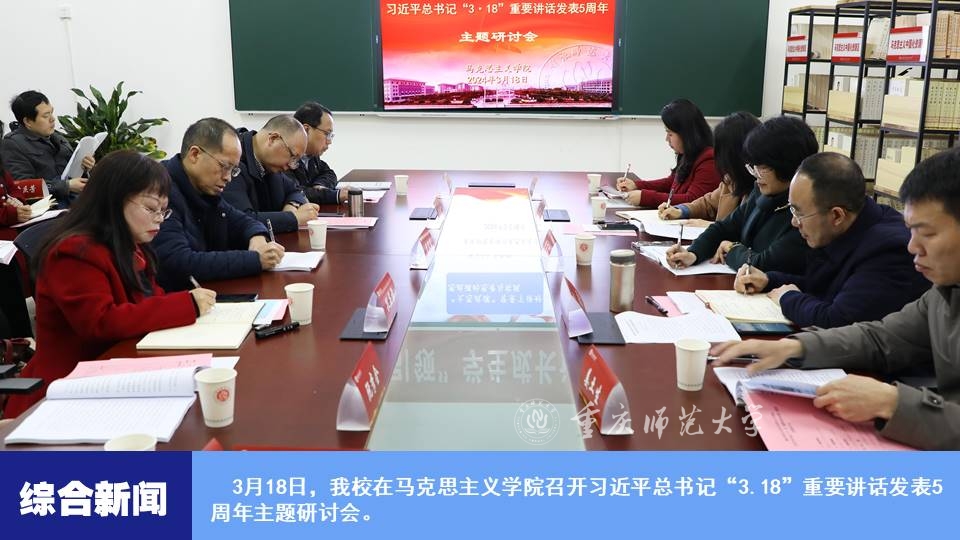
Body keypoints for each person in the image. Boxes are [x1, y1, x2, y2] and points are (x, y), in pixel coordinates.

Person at [713, 148, 960, 450]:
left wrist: (894, 402)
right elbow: (880, 337)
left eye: (928, 234)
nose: (912, 247)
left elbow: (843, 318)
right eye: (911, 231)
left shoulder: (893, 251)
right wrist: (795, 347)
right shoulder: (945, 292)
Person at [3, 150, 217, 418]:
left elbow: (151, 299)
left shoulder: (130, 244)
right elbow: (101, 322)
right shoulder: (74, 252)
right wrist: (186, 304)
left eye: (164, 210)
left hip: (113, 369)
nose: (159, 219)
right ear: (113, 200)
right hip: (63, 390)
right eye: (151, 208)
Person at [734, 152, 929, 329]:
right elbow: (824, 286)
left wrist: (787, 298)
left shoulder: (888, 250)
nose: (794, 222)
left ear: (836, 215)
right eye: (792, 210)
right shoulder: (850, 224)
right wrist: (770, 280)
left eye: (799, 213)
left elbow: (838, 320)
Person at [665, 115, 817, 273]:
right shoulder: (761, 192)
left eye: (762, 168)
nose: (756, 174)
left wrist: (732, 249)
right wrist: (693, 253)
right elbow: (724, 228)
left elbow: (762, 264)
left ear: (787, 165)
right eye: (753, 166)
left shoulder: (802, 213)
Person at [153, 118, 286, 291]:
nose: (228, 177)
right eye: (224, 166)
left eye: (233, 170)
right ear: (195, 154)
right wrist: (255, 259)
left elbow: (241, 220)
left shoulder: (204, 188)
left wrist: (257, 237)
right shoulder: (160, 191)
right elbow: (179, 262)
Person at [658, 111, 760, 225]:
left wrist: (709, 226)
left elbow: (748, 232)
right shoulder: (731, 180)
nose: (720, 160)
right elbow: (708, 203)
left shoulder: (762, 188)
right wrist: (681, 211)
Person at [615, 99, 721, 208]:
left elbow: (692, 201)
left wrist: (645, 197)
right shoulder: (688, 153)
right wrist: (636, 185)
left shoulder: (709, 160)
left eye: (670, 134)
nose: (666, 139)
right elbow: (672, 183)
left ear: (686, 134)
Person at [222, 114, 319, 232]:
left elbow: (295, 190)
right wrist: (294, 218)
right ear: (273, 139)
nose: (291, 165)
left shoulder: (270, 164)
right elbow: (241, 220)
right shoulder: (233, 161)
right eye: (293, 157)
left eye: (296, 161)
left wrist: (292, 205)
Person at [0, 91, 96, 207]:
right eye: (46, 116)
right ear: (28, 121)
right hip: (50, 209)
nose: (52, 119)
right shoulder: (12, 144)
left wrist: (85, 167)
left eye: (52, 113)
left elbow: (72, 173)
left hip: (77, 202)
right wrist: (66, 186)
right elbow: (23, 187)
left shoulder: (58, 137)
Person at [287, 102, 347, 204]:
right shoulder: (284, 157)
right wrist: (335, 195)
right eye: (327, 134)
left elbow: (329, 173)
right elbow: (295, 192)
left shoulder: (311, 155)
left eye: (331, 135)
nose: (329, 141)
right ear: (306, 130)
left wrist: (319, 185)